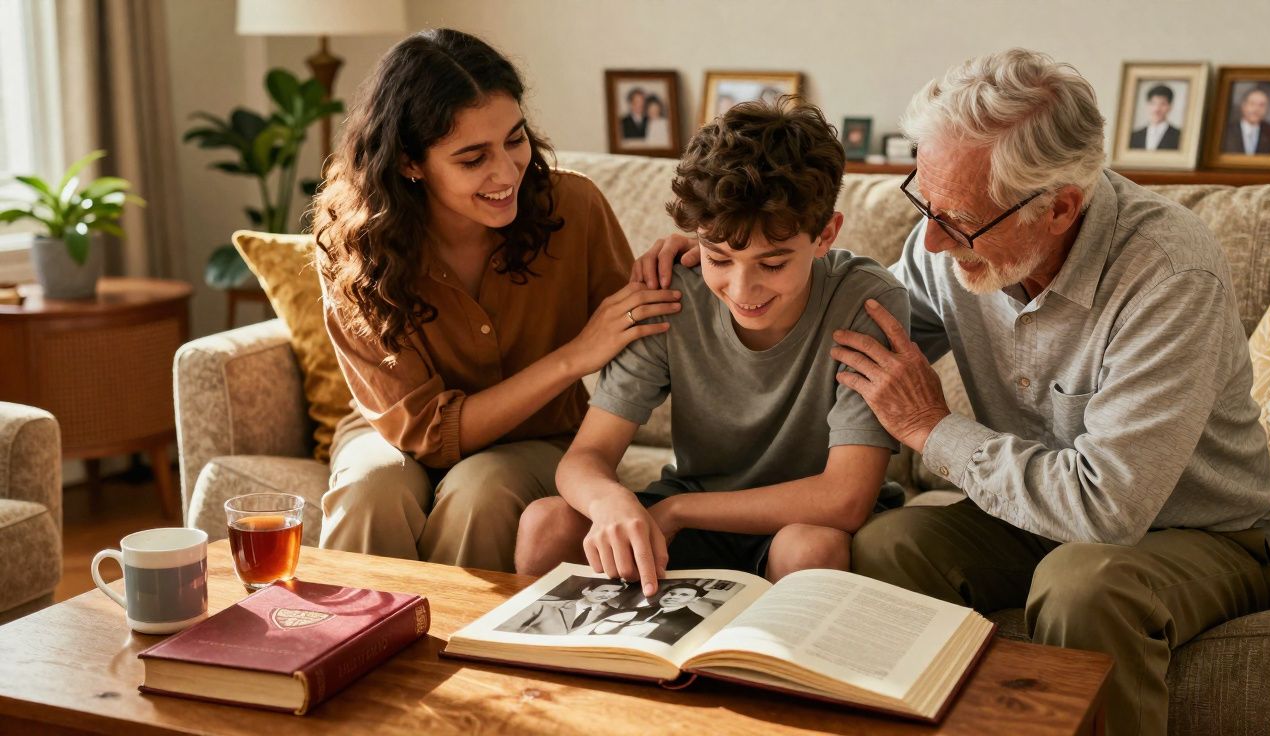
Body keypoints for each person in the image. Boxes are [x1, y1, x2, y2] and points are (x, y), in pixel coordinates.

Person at [631, 47, 1270, 736]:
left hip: (1200, 533)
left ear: (1061, 207)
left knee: (1086, 587)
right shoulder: (948, 237)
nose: (932, 242)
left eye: (958, 221)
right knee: (884, 547)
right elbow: (843, 331)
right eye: (923, 200)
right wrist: (714, 255)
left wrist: (932, 430)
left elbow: (1109, 510)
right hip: (1028, 519)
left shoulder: (1168, 275)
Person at [311, 29, 682, 572]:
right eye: (472, 158)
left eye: (514, 139)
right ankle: (348, 646)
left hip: (539, 439)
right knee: (370, 489)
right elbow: (425, 433)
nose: (506, 173)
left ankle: (458, 652)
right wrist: (574, 357)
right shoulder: (353, 246)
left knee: (480, 491)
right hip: (394, 432)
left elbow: (642, 330)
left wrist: (711, 257)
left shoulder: (572, 208)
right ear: (411, 162)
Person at [514, 99, 909, 598]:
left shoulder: (866, 300)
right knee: (545, 523)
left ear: (826, 234)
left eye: (772, 264)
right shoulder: (672, 291)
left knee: (809, 550)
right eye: (719, 258)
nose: (743, 290)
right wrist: (611, 503)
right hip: (696, 513)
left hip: (803, 521)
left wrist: (676, 510)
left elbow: (844, 499)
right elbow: (584, 458)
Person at [582, 583, 706, 644]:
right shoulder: (635, 610)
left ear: (694, 599)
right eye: (671, 593)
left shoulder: (695, 621)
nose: (673, 597)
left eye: (684, 595)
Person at [496, 581, 626, 635]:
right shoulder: (543, 605)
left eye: (614, 593)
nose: (608, 595)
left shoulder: (611, 616)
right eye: (604, 590)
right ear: (587, 591)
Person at [1222, 86, 1270, 154]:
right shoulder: (1226, 131)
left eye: (1262, 105)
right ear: (1243, 106)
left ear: (1267, 108)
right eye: (1252, 104)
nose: (1256, 109)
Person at [1128, 84, 1180, 151]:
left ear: (1170, 106)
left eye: (1163, 104)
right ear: (1147, 105)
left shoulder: (1179, 136)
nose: (1157, 109)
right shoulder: (1134, 136)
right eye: (1153, 103)